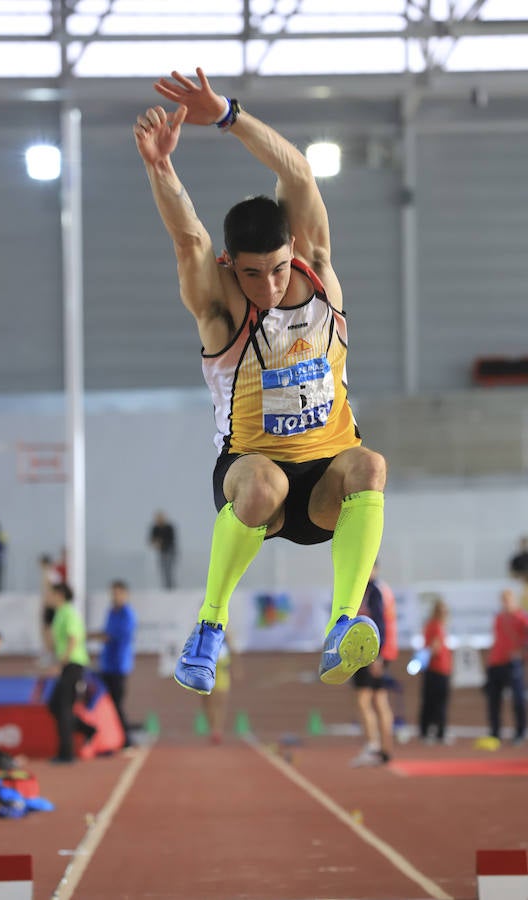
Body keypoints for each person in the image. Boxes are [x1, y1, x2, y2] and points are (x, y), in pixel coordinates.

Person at [134, 68, 386, 695]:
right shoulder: (220, 308)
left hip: (325, 477)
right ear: (231, 267)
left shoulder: (318, 272)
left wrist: (226, 114)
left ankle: (342, 625)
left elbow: (298, 174)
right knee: (265, 480)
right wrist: (161, 168)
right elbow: (187, 236)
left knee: (370, 466)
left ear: (290, 253)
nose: (270, 288)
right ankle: (208, 628)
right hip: (254, 479)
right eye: (253, 275)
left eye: (277, 270)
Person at [349, 562, 396, 766]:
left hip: (371, 652)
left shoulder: (374, 591)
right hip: (380, 651)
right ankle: (386, 749)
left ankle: (372, 747)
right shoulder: (377, 589)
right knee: (379, 700)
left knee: (363, 700)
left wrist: (377, 656)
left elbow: (380, 623)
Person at [46, 582, 96, 763]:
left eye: (51, 593)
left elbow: (73, 639)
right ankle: (86, 729)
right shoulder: (59, 613)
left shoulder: (69, 613)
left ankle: (66, 753)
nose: (48, 597)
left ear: (59, 594)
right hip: (67, 664)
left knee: (64, 707)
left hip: (73, 664)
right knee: (54, 705)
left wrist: (61, 664)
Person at [88, 580, 138, 747]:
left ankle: (127, 740)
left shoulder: (127, 615)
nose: (114, 597)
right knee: (107, 703)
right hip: (107, 664)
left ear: (125, 594)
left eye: (117, 593)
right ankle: (115, 737)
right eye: (112, 593)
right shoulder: (111, 612)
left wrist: (88, 636)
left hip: (119, 666)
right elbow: (106, 633)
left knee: (117, 704)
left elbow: (111, 636)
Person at [484, 588, 528, 745]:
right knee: (493, 700)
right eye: (503, 599)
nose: (505, 602)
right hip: (496, 663)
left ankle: (520, 732)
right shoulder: (499, 618)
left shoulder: (521, 618)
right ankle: (495, 733)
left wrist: (522, 654)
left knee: (518, 700)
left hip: (512, 665)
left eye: (508, 599)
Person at [418, 596, 453, 744]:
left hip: (435, 669)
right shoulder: (437, 626)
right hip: (438, 669)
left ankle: (426, 731)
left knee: (429, 701)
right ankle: (439, 733)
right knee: (439, 702)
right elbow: (435, 647)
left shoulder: (430, 625)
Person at [148, 511, 178, 589]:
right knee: (163, 569)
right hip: (161, 551)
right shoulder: (155, 528)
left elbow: (171, 540)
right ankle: (166, 586)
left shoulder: (168, 527)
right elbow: (151, 540)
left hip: (170, 550)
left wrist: (161, 542)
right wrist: (156, 543)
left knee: (168, 568)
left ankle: (170, 586)